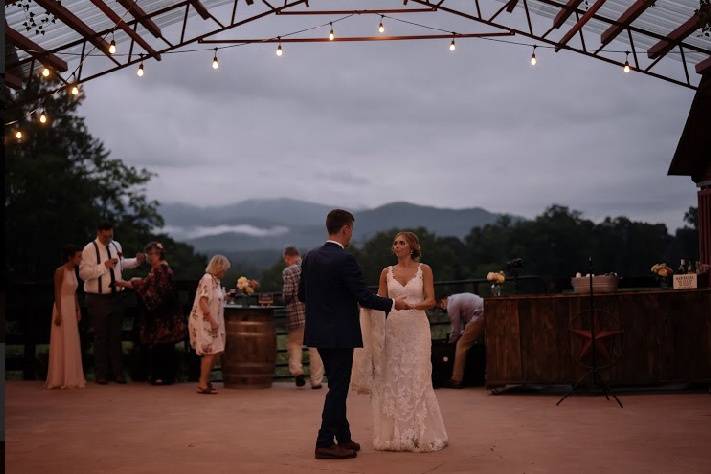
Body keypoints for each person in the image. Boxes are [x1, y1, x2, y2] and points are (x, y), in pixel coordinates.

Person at [298, 209, 409, 460]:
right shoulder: (345, 260)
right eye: (352, 230)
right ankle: (324, 442)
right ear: (346, 229)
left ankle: (344, 437)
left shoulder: (310, 256)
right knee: (337, 388)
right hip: (340, 334)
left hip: (318, 332)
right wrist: (393, 304)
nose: (351, 235)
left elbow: (302, 296)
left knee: (337, 384)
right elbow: (363, 297)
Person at [365, 231, 448, 452]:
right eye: (395, 243)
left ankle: (421, 431)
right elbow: (380, 300)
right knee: (394, 376)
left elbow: (431, 299)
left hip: (416, 328)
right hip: (393, 328)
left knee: (418, 375)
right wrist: (366, 305)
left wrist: (413, 306)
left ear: (412, 247)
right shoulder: (386, 272)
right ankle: (396, 433)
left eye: (401, 243)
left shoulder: (425, 270)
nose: (397, 246)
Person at [79, 222, 145, 384]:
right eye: (106, 236)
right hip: (97, 298)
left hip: (117, 298)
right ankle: (101, 374)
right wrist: (103, 266)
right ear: (99, 232)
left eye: (111, 235)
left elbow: (120, 264)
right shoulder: (89, 249)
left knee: (116, 337)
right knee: (100, 337)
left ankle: (118, 374)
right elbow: (83, 274)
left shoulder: (116, 245)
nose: (109, 239)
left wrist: (136, 262)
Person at [116, 242, 185, 385]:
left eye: (151, 254)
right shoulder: (157, 270)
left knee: (163, 346)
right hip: (161, 315)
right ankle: (161, 376)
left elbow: (156, 291)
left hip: (164, 315)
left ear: (158, 255)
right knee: (161, 346)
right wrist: (127, 283)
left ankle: (163, 376)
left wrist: (133, 283)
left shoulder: (162, 270)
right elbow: (147, 284)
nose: (148, 257)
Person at [282, 246, 324, 389]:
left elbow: (288, 294)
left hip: (297, 315)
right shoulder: (313, 268)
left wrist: (283, 299)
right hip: (315, 315)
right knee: (315, 348)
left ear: (287, 258)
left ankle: (297, 371)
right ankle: (317, 381)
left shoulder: (289, 271)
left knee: (295, 345)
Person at [189, 255, 230, 394]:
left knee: (216, 351)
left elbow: (216, 298)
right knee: (210, 351)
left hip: (213, 321)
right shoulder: (207, 279)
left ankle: (205, 380)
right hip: (205, 321)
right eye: (224, 269)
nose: (225, 272)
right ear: (218, 267)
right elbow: (203, 301)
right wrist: (212, 320)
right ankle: (202, 383)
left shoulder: (215, 281)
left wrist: (227, 296)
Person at [46, 245, 86, 389]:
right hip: (62, 306)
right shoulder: (60, 271)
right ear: (70, 257)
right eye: (78, 256)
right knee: (61, 339)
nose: (81, 259)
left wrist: (78, 309)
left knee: (71, 340)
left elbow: (74, 292)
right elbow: (57, 292)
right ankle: (59, 377)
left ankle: (72, 377)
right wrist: (58, 312)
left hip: (71, 307)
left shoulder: (74, 271)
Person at [437, 292, 485, 389]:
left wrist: (450, 343)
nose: (441, 309)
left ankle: (456, 379)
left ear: (442, 300)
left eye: (439, 306)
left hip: (480, 314)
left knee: (461, 345)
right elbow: (463, 327)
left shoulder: (451, 305)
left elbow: (456, 330)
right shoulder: (455, 299)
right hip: (483, 309)